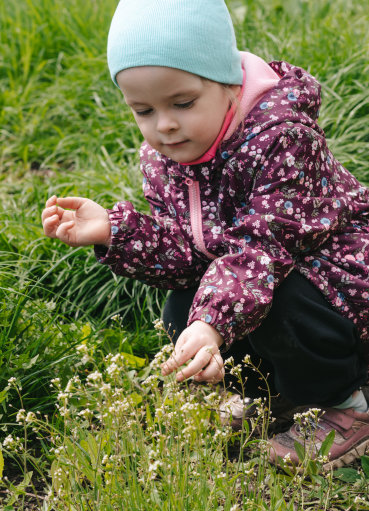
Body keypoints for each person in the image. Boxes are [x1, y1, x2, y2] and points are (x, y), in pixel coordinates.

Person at [42, 0, 369, 468]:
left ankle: (346, 406)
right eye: (143, 110)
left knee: (281, 300)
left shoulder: (281, 139)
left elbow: (263, 252)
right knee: (183, 303)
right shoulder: (164, 159)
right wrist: (116, 232)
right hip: (252, 279)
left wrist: (212, 323)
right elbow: (189, 255)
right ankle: (279, 394)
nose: (165, 125)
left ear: (230, 85)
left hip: (342, 283)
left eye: (182, 103)